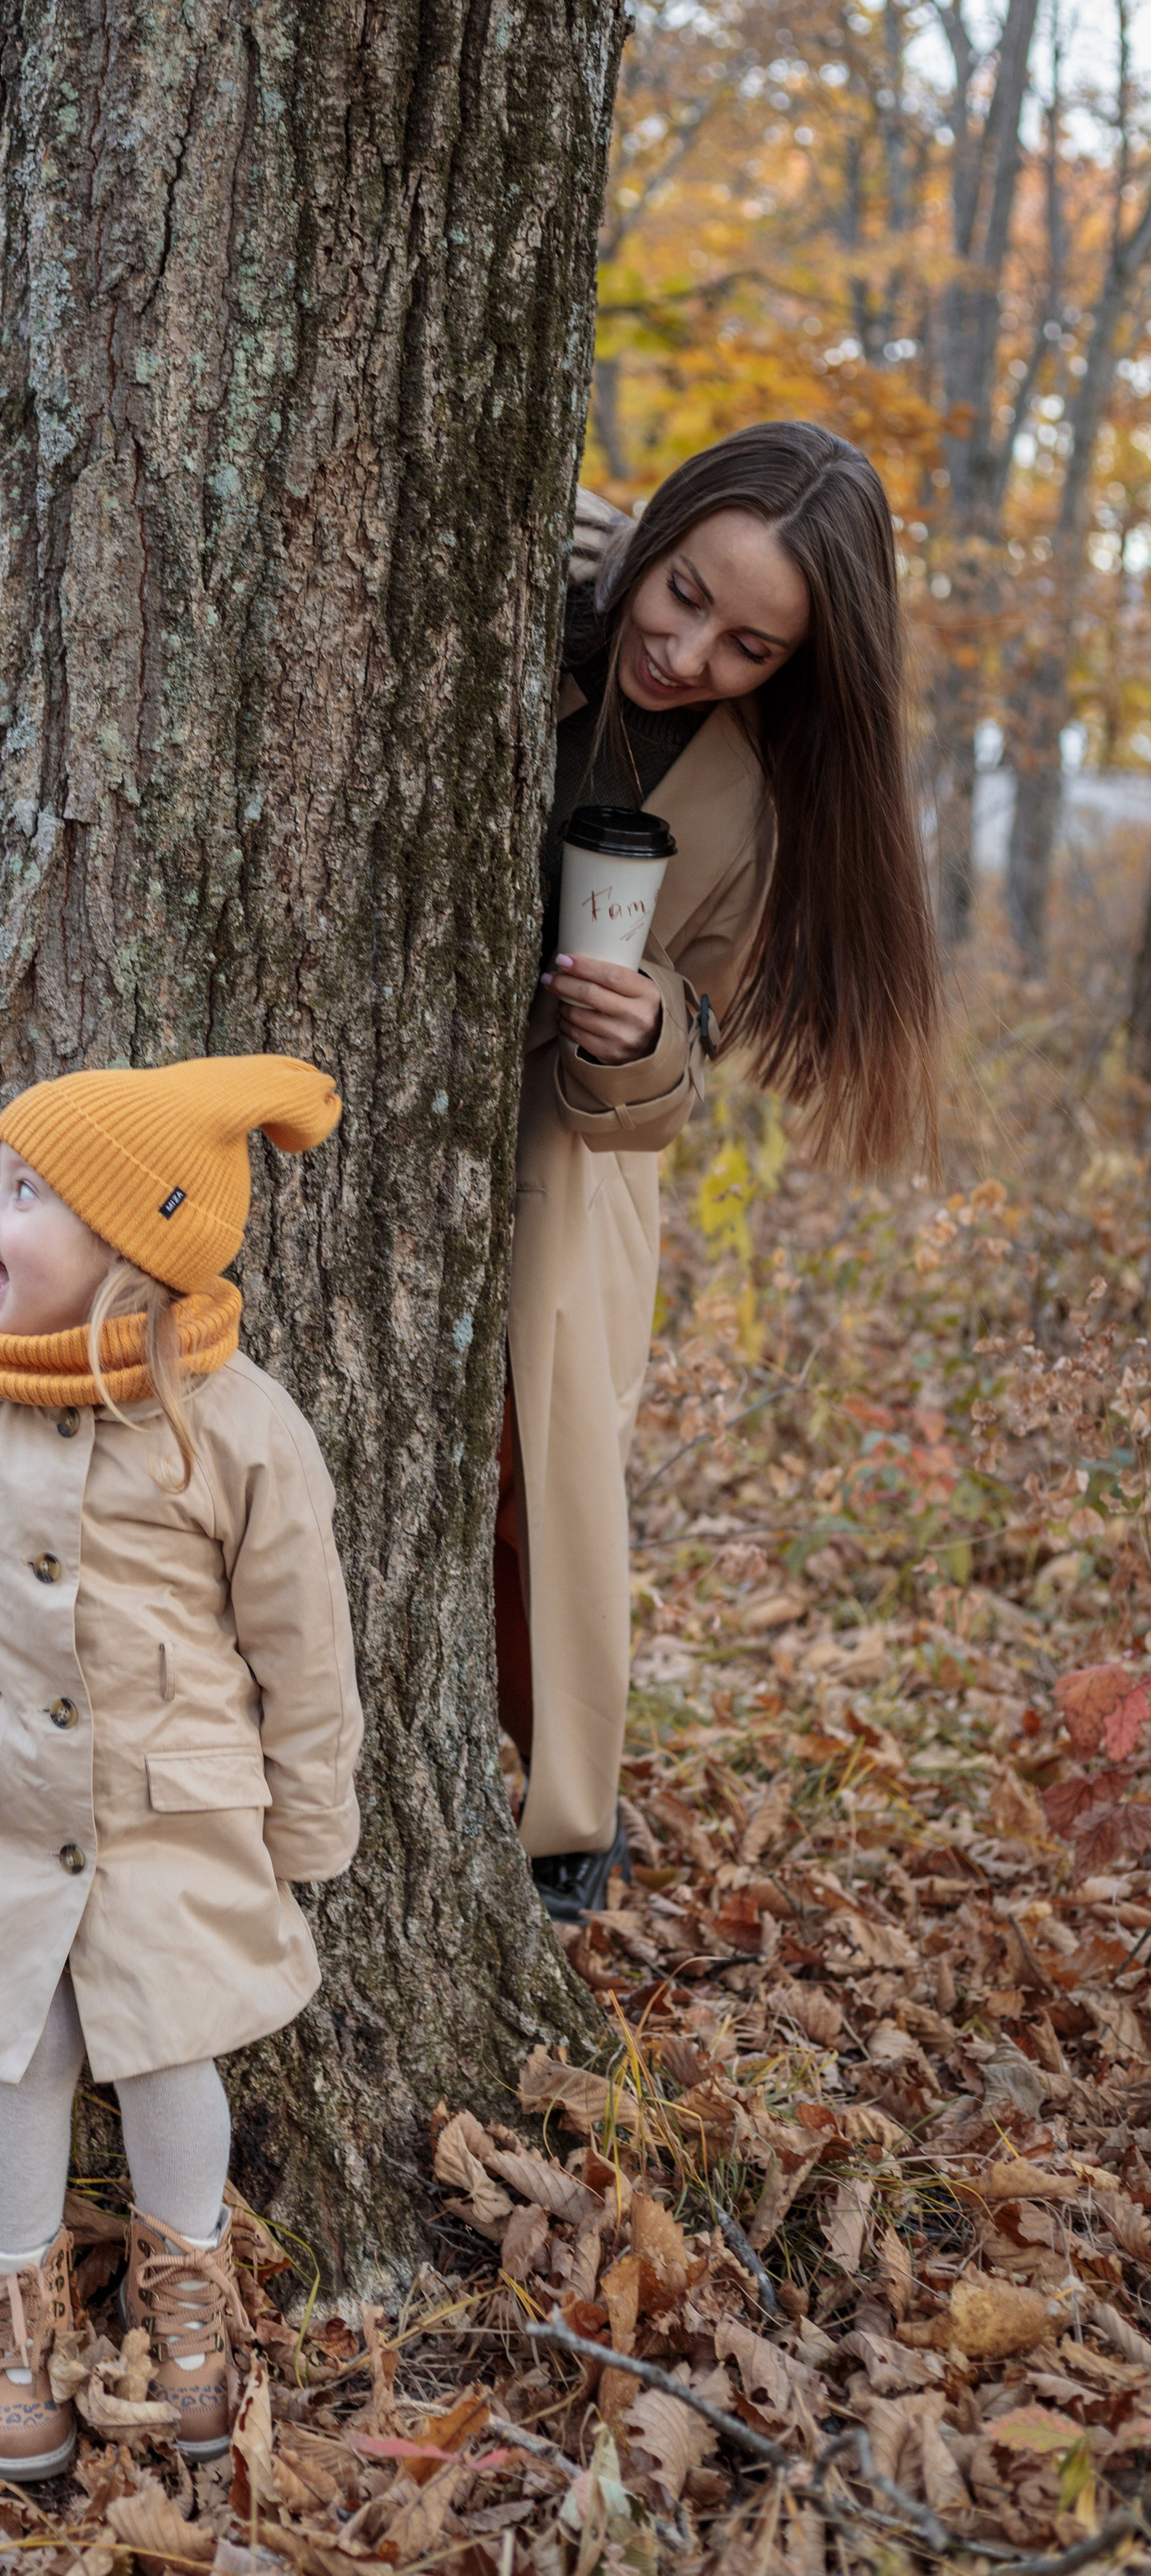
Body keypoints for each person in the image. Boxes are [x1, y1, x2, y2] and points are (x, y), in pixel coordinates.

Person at [0, 1054, 361, 2481]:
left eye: (26, 1195)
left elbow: (303, 1642)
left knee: (170, 2046)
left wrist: (307, 1815)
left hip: (172, 1820)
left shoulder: (233, 1423)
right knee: (18, 2049)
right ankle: (18, 2319)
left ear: (127, 1247)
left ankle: (187, 2307)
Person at [503, 422, 940, 1923]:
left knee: (539, 1463)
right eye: (679, 594)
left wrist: (637, 1032)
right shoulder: (506, 570)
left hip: (563, 1145)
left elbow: (673, 1075)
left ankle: (555, 1811)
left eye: (747, 645)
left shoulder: (756, 807)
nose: (687, 653)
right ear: (657, 532)